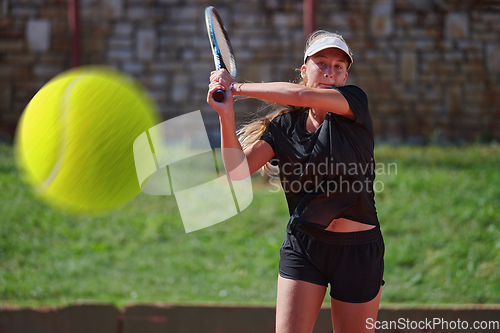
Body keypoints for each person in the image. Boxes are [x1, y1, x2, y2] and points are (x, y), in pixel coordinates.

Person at [207, 30, 384, 333]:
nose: (330, 71)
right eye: (322, 62)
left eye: (338, 66)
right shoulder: (283, 127)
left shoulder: (355, 104)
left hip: (358, 251)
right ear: (305, 70)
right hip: (304, 246)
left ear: (344, 77)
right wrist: (226, 113)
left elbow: (300, 95)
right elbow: (237, 172)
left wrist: (235, 86)